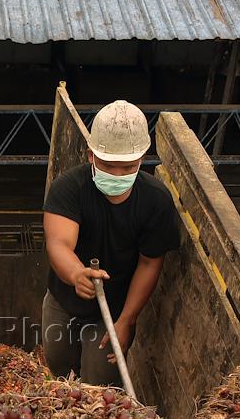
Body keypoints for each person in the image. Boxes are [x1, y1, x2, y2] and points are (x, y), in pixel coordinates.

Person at [41, 100, 180, 385]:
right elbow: (58, 243)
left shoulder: (156, 201)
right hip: (63, 301)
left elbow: (150, 261)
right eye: (108, 165)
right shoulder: (68, 189)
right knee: (58, 369)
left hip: (113, 309)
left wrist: (127, 320)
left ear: (142, 159)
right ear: (91, 155)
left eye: (127, 167)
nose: (117, 175)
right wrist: (76, 273)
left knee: (101, 383)